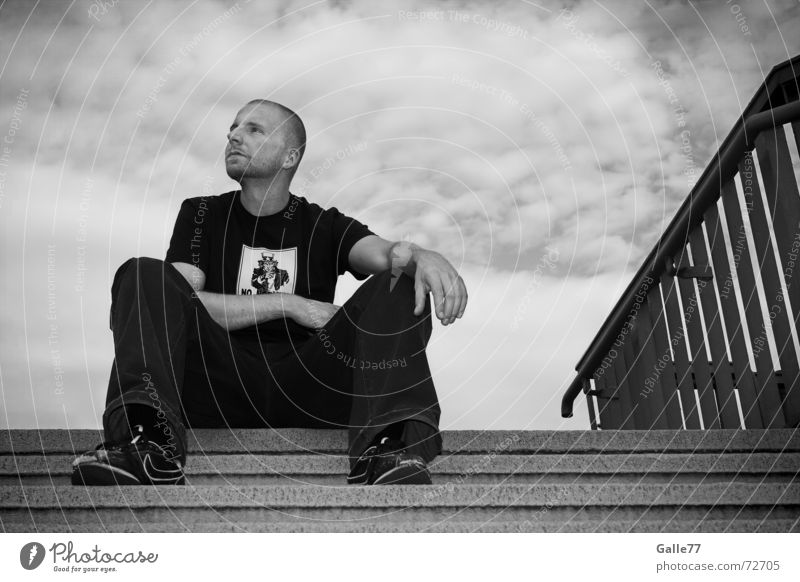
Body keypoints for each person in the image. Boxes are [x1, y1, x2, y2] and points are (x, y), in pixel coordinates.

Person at [71, 99, 468, 487]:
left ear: (289, 156)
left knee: (397, 282)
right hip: (218, 384)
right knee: (143, 273)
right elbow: (178, 298)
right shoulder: (202, 215)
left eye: (253, 129)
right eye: (233, 127)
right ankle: (149, 443)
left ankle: (386, 448)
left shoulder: (323, 225)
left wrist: (420, 255)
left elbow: (386, 255)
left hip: (310, 386)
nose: (234, 136)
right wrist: (289, 305)